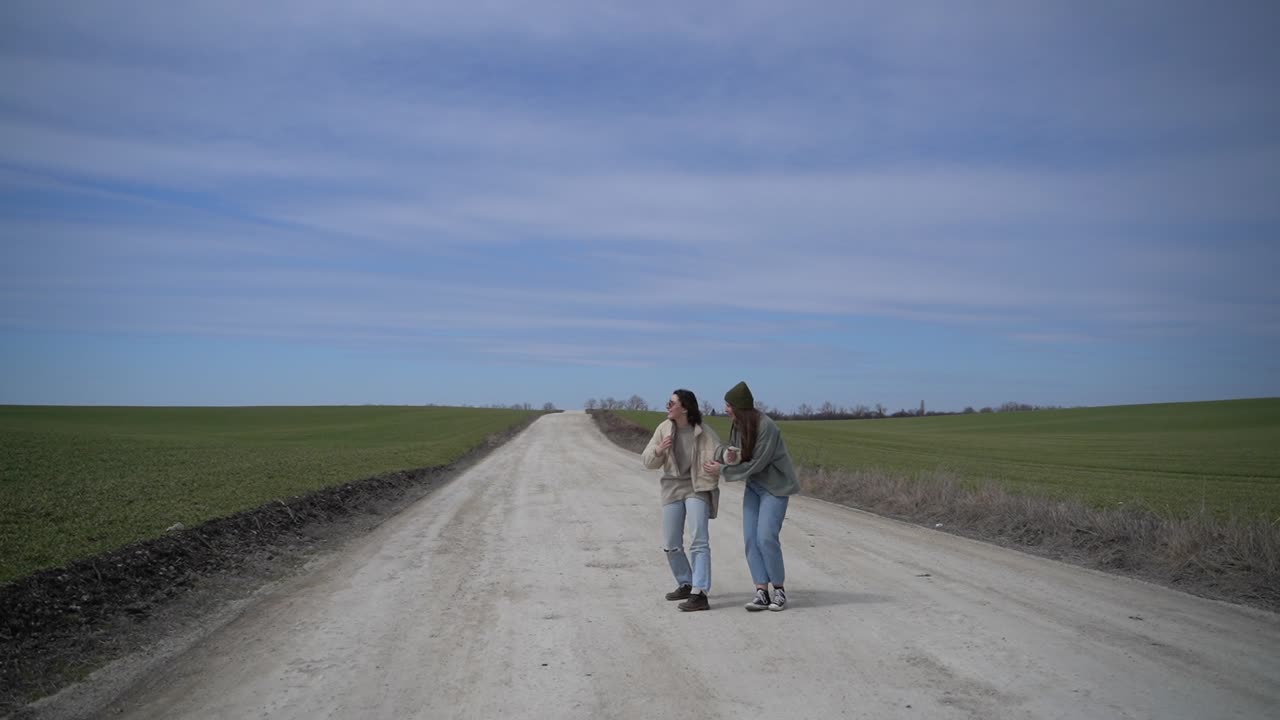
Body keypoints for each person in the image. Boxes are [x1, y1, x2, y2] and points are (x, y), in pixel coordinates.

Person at [703, 381, 800, 612]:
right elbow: (738, 454)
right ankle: (761, 592)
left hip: (775, 488)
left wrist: (723, 471)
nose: (726, 409)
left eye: (728, 405)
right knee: (750, 539)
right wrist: (723, 455)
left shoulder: (767, 427)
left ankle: (779, 591)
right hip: (755, 487)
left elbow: (756, 463)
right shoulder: (738, 425)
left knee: (766, 537)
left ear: (739, 406)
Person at [641, 389, 723, 611]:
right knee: (671, 543)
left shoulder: (704, 431)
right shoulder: (663, 429)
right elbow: (647, 461)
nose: (668, 406)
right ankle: (686, 583)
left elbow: (724, 454)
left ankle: (700, 592)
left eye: (671, 403)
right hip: (672, 487)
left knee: (699, 539)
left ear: (684, 407)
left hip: (698, 487)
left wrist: (723, 464)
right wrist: (659, 450)